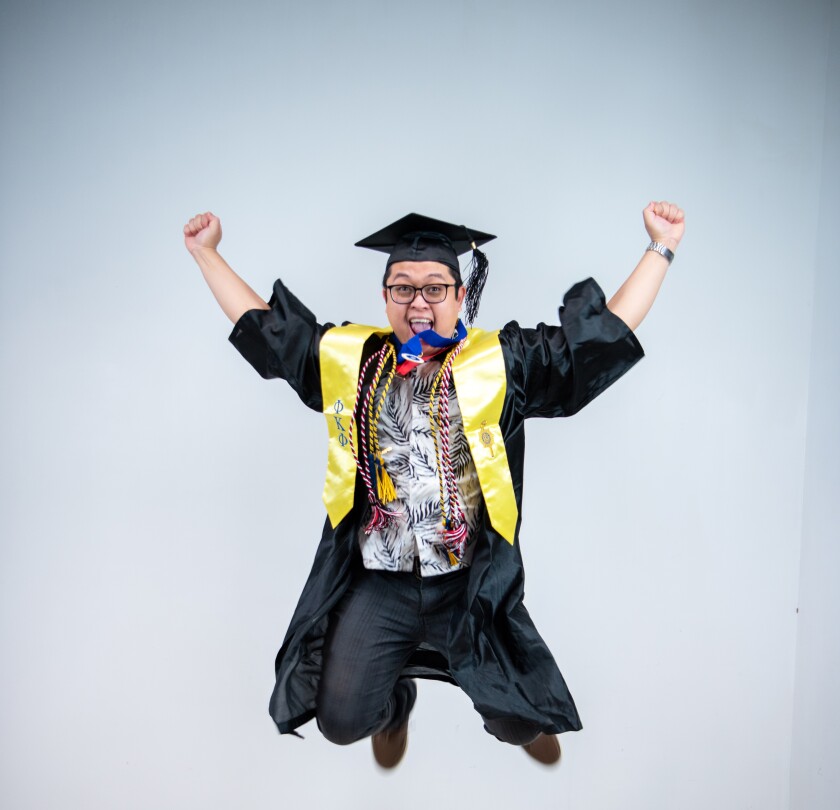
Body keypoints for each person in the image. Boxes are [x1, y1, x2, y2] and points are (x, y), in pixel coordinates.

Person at [183, 202, 685, 768]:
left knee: (522, 717)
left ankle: (514, 718)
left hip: (466, 585)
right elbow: (270, 333)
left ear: (459, 293)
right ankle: (395, 701)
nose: (418, 302)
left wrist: (660, 247)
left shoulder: (499, 363)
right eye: (402, 288)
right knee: (342, 723)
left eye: (434, 287)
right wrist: (207, 253)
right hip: (382, 584)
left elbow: (596, 341)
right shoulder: (352, 360)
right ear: (384, 296)